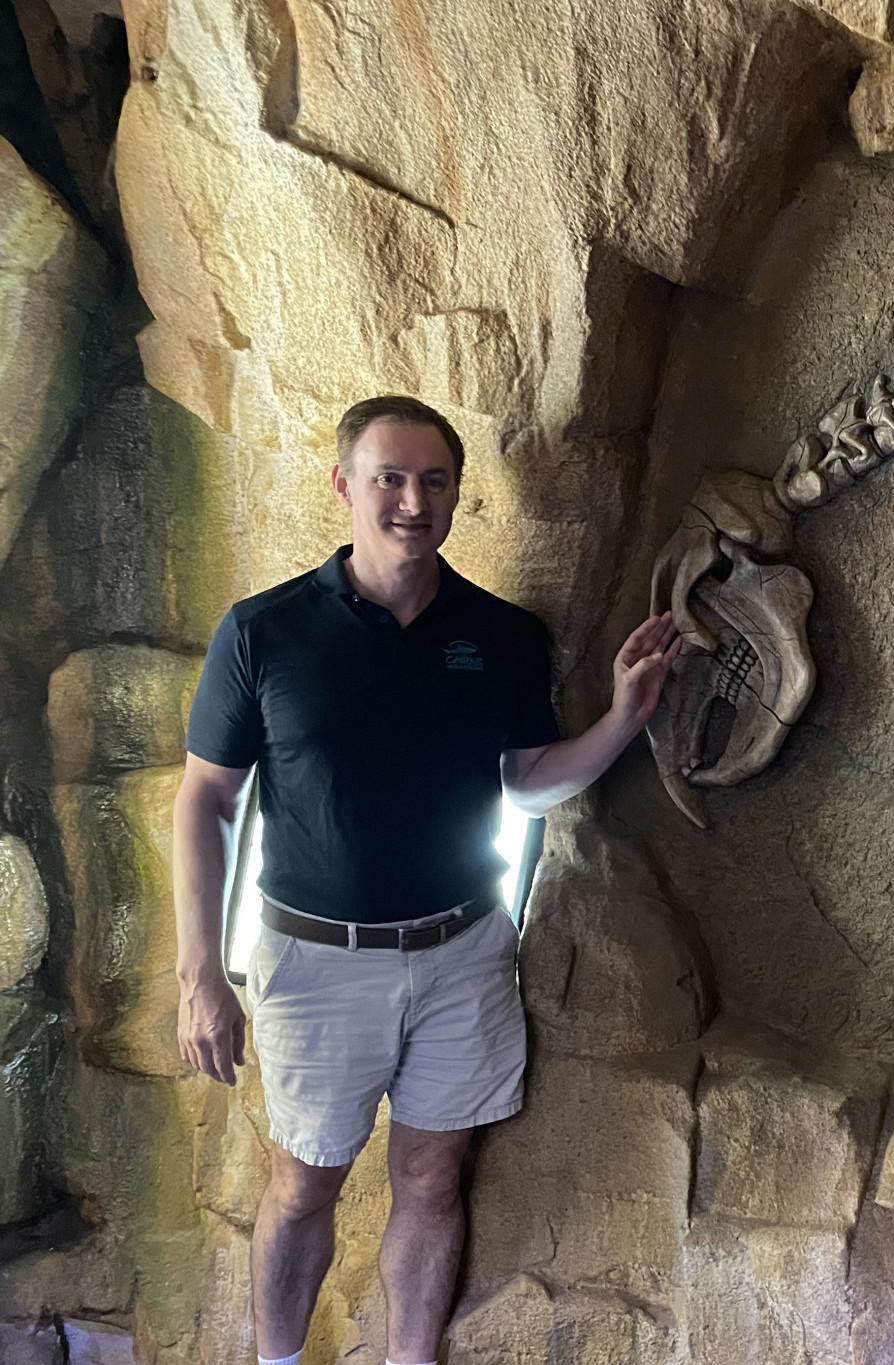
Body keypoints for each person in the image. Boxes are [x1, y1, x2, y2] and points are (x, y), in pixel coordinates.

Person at [169, 395, 680, 1365]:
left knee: (435, 1178)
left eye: (434, 480)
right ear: (345, 487)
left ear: (455, 495)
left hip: (461, 955)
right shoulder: (264, 634)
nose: (413, 500)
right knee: (305, 1182)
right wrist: (198, 975)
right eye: (390, 478)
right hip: (314, 963)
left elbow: (527, 785)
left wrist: (621, 718)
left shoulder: (499, 636)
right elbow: (205, 802)